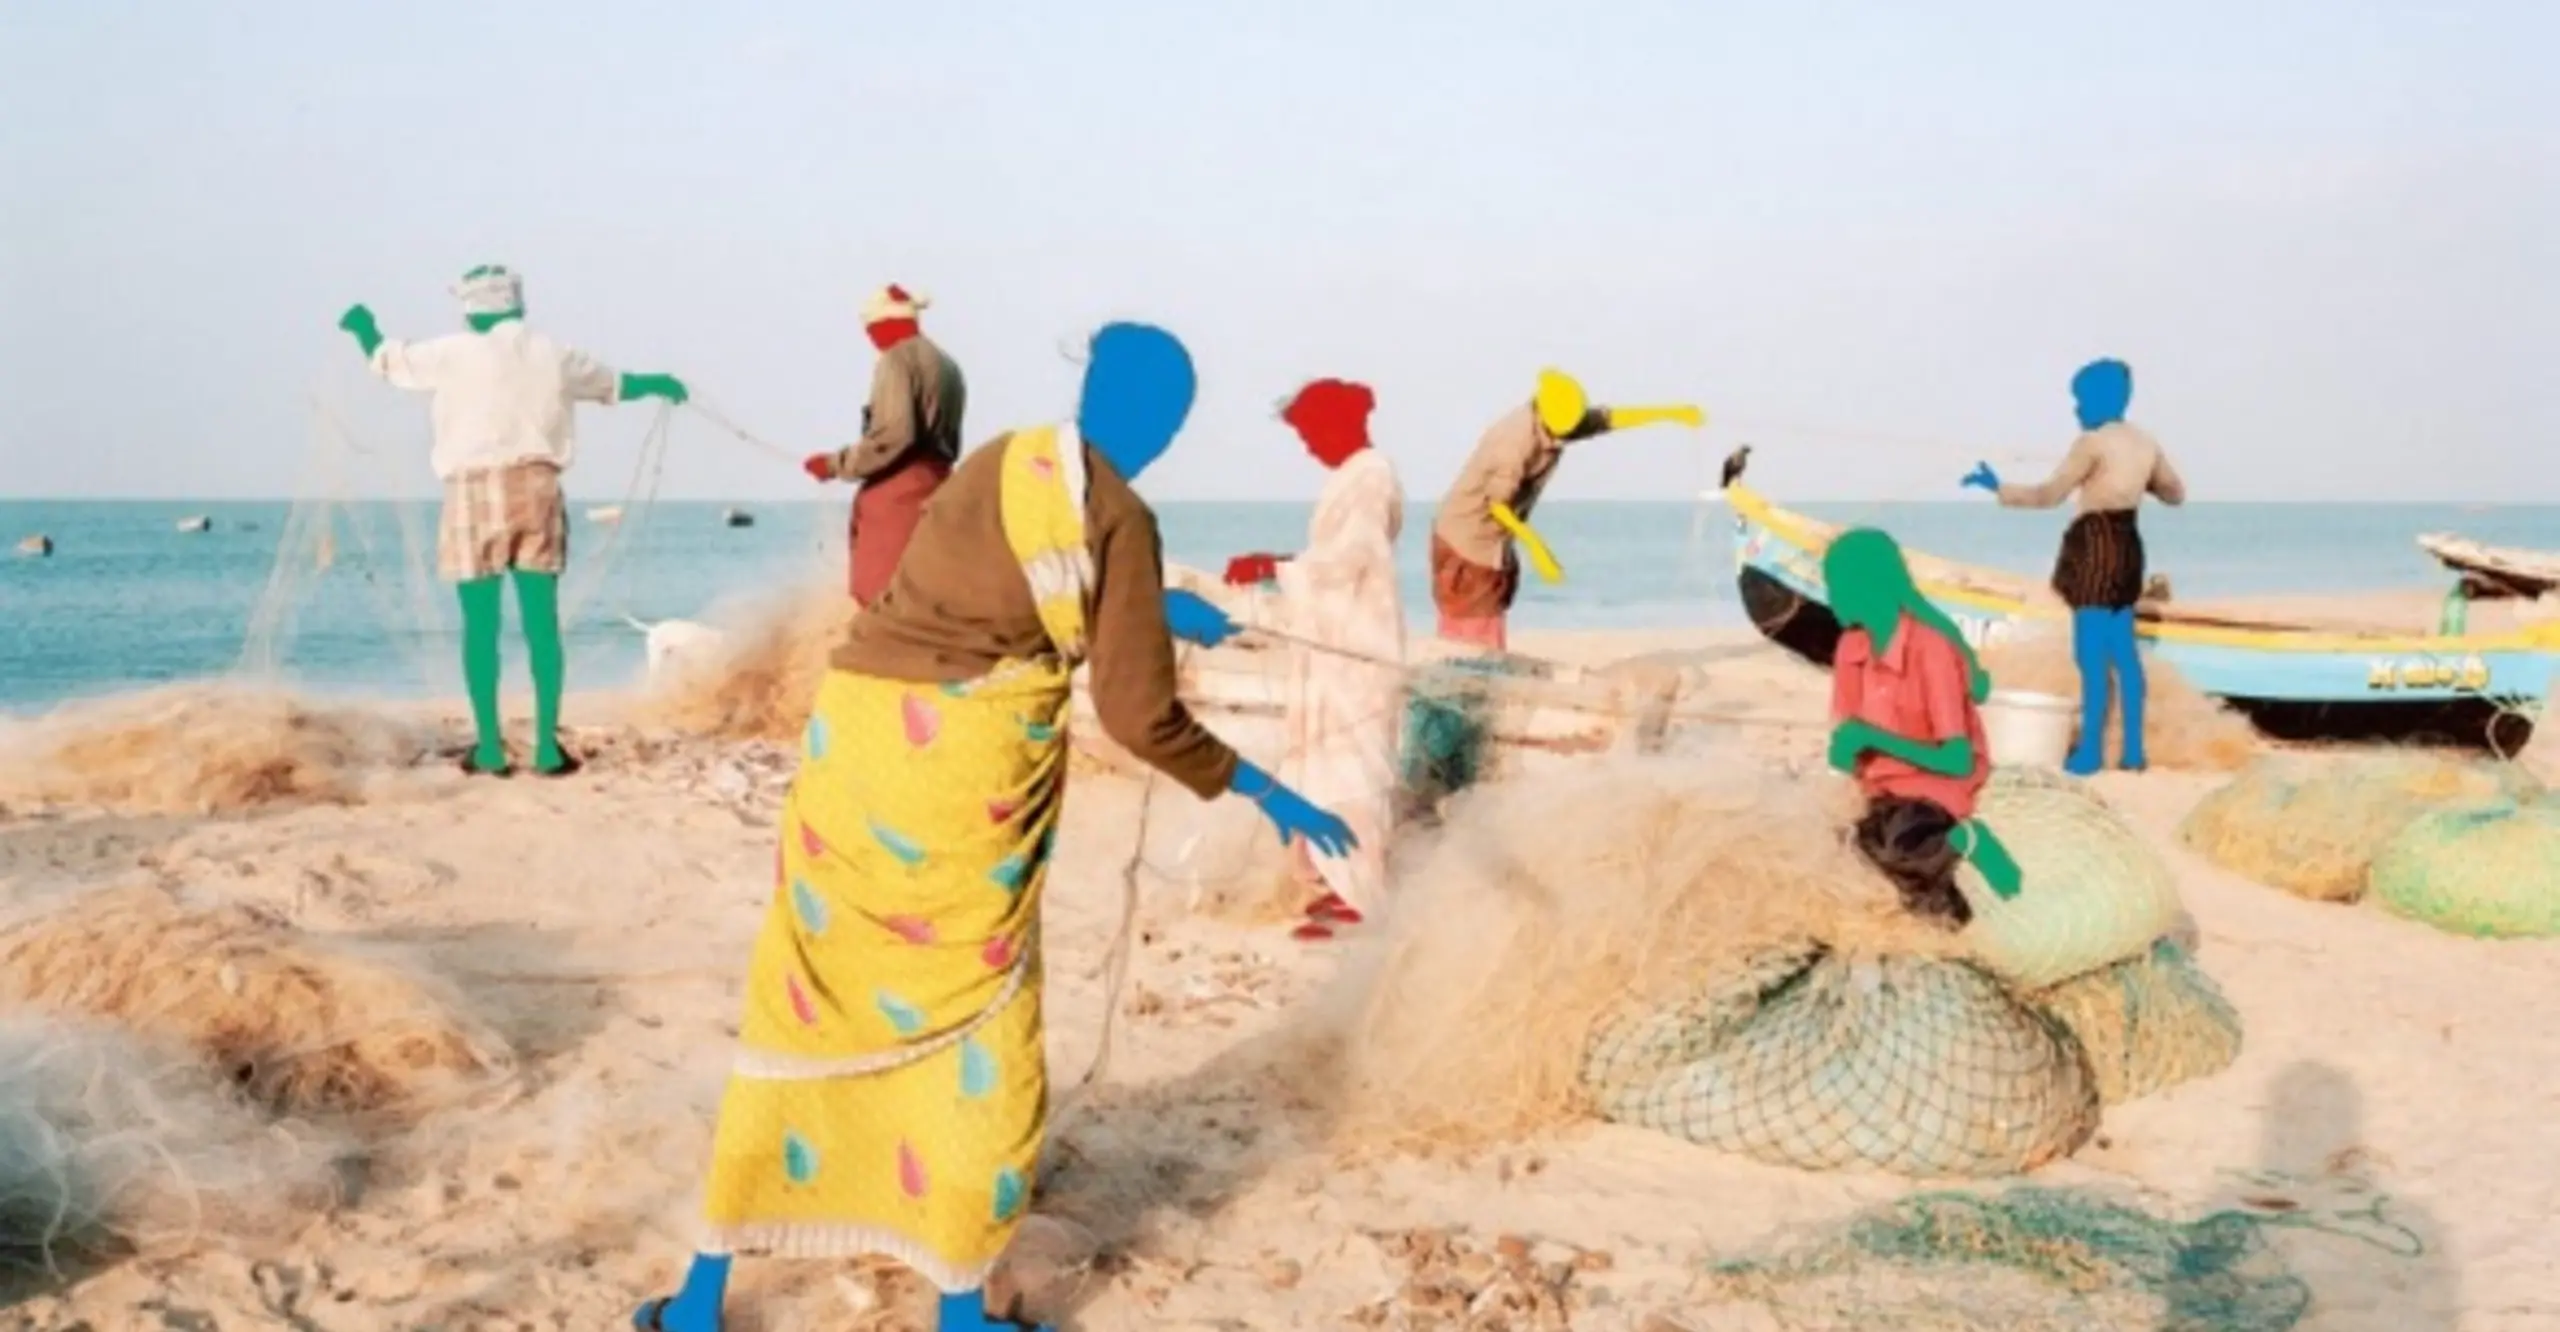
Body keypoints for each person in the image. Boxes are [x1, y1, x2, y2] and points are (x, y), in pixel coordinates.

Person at [633, 323, 1356, 1332]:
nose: (1164, 429)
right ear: (1164, 418)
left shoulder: (1001, 460)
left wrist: (1151, 606)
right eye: (1171, 413)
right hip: (959, 778)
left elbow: (974, 587)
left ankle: (702, 1296)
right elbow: (1141, 715)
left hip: (857, 748)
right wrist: (1271, 793)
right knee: (981, 1025)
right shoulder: (1120, 514)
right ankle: (961, 1308)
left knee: (807, 997)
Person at [336, 265, 688, 778]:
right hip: (537, 490)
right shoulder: (554, 352)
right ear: (517, 304)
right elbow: (617, 384)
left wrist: (363, 326)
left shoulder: (453, 352)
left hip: (473, 492)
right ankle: (546, 747)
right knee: (542, 624)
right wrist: (662, 382)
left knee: (480, 627)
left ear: (473, 308)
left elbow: (388, 361)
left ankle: (490, 749)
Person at [1223, 379, 1406, 941]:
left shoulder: (1371, 477)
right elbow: (1332, 558)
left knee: (1353, 765)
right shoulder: (1351, 478)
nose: (1307, 447)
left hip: (1358, 645)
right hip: (1333, 641)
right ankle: (1330, 884)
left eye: (1310, 433)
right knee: (1321, 761)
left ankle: (1357, 895)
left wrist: (1275, 569)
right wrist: (1280, 565)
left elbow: (1356, 556)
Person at [1963, 358, 2185, 775]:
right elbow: (2175, 493)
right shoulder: (2145, 443)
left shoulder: (2091, 443)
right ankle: (2134, 752)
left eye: (2080, 401)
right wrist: (2140, 480)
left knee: (2090, 654)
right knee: (2123, 653)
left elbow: (2049, 495)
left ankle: (2091, 752)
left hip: (2096, 547)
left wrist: (1998, 488)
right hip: (2129, 547)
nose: (2076, 410)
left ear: (2102, 398)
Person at [1824, 527, 2022, 924]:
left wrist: (1872, 737)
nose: (1831, 598)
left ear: (1869, 585)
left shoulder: (1930, 648)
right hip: (1881, 787)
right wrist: (1844, 750)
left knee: (1903, 845)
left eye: (1837, 586)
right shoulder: (1851, 649)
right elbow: (1843, 749)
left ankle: (1969, 843)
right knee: (1852, 847)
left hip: (1935, 784)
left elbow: (1958, 760)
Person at [1429, 369, 1701, 649]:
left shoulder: (1554, 419)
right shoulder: (1514, 442)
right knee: (1474, 616)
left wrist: (1671, 413)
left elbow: (1608, 419)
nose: (1571, 433)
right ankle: (1470, 679)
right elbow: (1497, 504)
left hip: (1493, 538)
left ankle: (1478, 674)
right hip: (1467, 538)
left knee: (1489, 609)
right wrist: (1537, 547)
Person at [803, 284, 969, 606]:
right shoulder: (947, 364)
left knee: (883, 591)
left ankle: (886, 654)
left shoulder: (896, 359)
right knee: (926, 586)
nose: (871, 340)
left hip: (900, 489)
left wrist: (834, 465)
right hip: (938, 482)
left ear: (881, 326)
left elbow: (894, 434)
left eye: (870, 331)